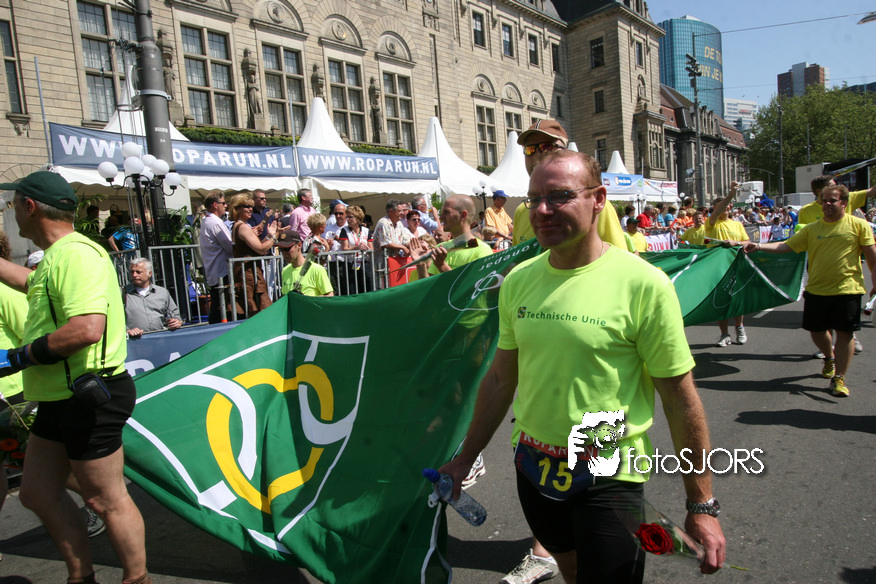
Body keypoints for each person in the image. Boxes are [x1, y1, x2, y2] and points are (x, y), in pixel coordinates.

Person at [438, 151, 724, 584]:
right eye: (534, 199)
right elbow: (499, 380)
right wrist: (464, 459)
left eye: (559, 196)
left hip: (608, 472)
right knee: (571, 572)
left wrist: (701, 504)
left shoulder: (644, 284)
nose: (542, 210)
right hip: (533, 466)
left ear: (598, 199)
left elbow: (681, 400)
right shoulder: (519, 280)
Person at [0, 171, 153, 584]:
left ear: (29, 206)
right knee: (36, 493)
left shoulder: (75, 255)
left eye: (12, 205)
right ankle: (80, 577)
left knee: (105, 500)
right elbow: (32, 283)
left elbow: (86, 329)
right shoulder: (58, 256)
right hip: (60, 395)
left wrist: (18, 357)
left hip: (88, 394)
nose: (12, 214)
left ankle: (136, 579)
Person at [742, 184, 875, 396]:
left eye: (832, 200)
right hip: (817, 290)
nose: (827, 204)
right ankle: (829, 358)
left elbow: (872, 257)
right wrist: (757, 246)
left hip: (848, 289)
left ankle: (839, 378)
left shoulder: (859, 225)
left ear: (844, 203)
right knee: (817, 331)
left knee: (845, 333)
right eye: (824, 201)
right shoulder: (812, 229)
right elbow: (785, 246)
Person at [513, 119, 626, 250]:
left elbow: (619, 257)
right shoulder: (522, 211)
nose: (538, 154)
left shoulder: (592, 203)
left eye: (547, 146)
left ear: (565, 152)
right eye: (530, 149)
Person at [705, 183, 749, 346]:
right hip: (718, 267)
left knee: (736, 298)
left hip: (735, 264)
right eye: (721, 206)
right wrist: (731, 194)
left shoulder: (737, 224)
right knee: (720, 301)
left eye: (727, 205)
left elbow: (747, 241)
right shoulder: (711, 223)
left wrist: (735, 242)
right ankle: (724, 334)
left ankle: (739, 327)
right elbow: (717, 212)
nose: (725, 208)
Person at [409, 194, 492, 279]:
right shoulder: (441, 248)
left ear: (463, 215)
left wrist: (442, 266)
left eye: (446, 212)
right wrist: (421, 265)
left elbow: (471, 285)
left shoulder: (482, 250)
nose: (441, 217)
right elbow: (429, 286)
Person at [229, 193, 278, 318]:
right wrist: (274, 237)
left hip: (247, 271)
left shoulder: (238, 226)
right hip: (248, 273)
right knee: (255, 309)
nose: (250, 209)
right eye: (247, 206)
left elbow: (257, 246)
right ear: (237, 208)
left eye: (251, 206)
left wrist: (269, 236)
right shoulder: (243, 227)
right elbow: (261, 249)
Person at [123, 257, 182, 339]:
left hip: (160, 339)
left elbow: (175, 314)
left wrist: (177, 322)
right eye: (132, 272)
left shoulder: (162, 292)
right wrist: (127, 330)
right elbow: (114, 320)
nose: (134, 275)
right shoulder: (123, 293)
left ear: (149, 273)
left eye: (138, 272)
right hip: (135, 341)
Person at [199, 191, 233, 324]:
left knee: (218, 305)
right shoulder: (215, 223)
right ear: (215, 204)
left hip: (215, 270)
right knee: (221, 307)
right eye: (223, 203)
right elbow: (229, 246)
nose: (225, 206)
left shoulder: (207, 220)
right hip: (221, 271)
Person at [278, 231, 334, 297]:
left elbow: (330, 296)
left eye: (287, 248)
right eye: (281, 249)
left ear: (299, 245)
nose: (284, 253)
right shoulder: (285, 271)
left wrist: (306, 300)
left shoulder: (317, 270)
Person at [337, 205, 372, 295]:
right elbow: (344, 249)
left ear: (358, 218)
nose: (348, 219)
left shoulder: (366, 230)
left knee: (366, 289)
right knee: (352, 290)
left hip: (364, 263)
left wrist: (366, 248)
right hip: (350, 264)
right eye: (347, 217)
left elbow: (371, 249)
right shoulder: (344, 230)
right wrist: (356, 248)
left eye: (350, 217)